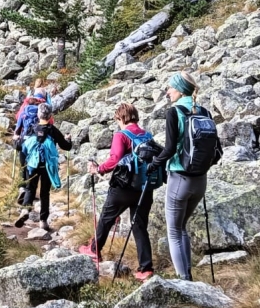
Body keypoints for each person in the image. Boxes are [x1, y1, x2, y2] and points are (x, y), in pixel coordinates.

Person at [80, 102, 160, 281]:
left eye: (117, 119)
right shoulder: (148, 135)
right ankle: (146, 268)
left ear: (121, 117)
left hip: (123, 187)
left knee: (107, 218)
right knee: (139, 226)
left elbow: (115, 159)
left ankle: (94, 250)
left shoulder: (121, 135)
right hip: (145, 188)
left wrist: (98, 169)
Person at [151, 71, 208, 282]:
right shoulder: (204, 112)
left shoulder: (174, 113)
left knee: (173, 232)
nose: (167, 92)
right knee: (182, 227)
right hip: (200, 180)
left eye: (170, 88)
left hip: (179, 179)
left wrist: (154, 164)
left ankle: (183, 281)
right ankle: (188, 276)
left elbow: (169, 149)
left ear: (180, 89)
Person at [14, 103, 73, 230]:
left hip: (32, 165)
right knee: (44, 193)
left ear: (38, 115)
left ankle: (25, 210)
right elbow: (66, 147)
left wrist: (16, 139)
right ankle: (43, 221)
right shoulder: (53, 130)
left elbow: (19, 147)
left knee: (30, 189)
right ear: (50, 116)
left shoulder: (31, 128)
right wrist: (68, 139)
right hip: (47, 166)